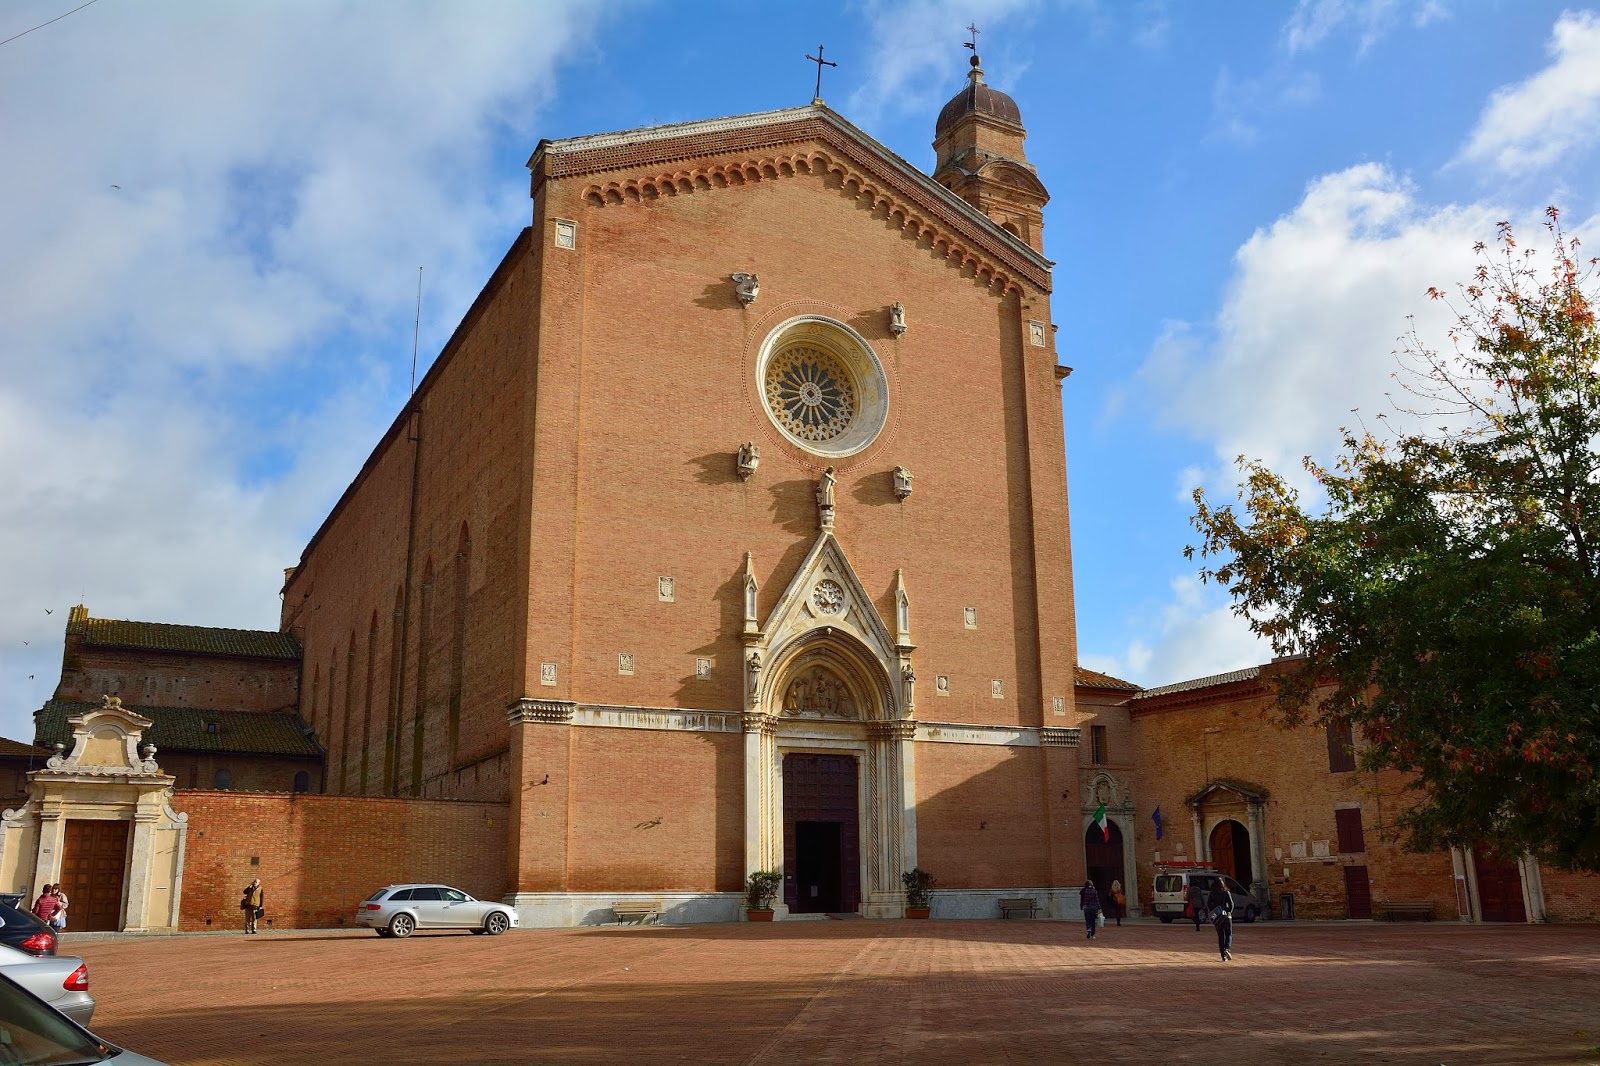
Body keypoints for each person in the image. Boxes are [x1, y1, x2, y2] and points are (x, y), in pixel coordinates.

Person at [1207, 879, 1235, 962]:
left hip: (1217, 917)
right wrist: (1227, 911)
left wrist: (1215, 911)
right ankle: (1227, 949)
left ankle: (1223, 956)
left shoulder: (1212, 893)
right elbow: (1231, 905)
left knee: (1220, 936)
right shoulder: (1226, 892)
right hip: (1226, 916)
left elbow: (1209, 904)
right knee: (1229, 934)